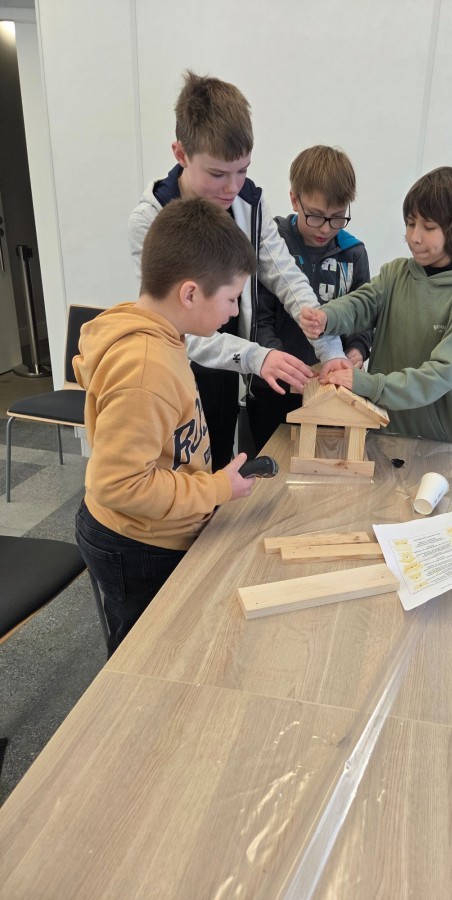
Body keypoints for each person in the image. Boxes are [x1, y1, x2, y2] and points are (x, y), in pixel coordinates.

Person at [128, 71, 348, 470]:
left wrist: (329, 349)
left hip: (227, 366)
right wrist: (256, 356)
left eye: (242, 169)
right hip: (171, 369)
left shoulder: (250, 203)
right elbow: (171, 327)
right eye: (217, 174)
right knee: (176, 470)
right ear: (181, 154)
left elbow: (287, 277)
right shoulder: (151, 219)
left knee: (218, 461)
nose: (232, 186)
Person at [75, 198, 258, 656]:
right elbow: (118, 483)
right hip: (137, 543)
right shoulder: (145, 366)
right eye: (231, 298)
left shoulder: (163, 335)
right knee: (144, 657)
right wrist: (215, 489)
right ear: (190, 294)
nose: (234, 311)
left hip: (150, 529)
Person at [299, 166, 452, 443]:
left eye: (429, 227)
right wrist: (327, 316)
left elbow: (439, 375)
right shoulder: (396, 274)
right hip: (379, 427)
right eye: (411, 223)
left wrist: (367, 384)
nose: (415, 237)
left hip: (433, 442)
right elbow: (362, 303)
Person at [246, 145, 372, 452]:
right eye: (315, 216)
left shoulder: (354, 253)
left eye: (337, 218)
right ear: (294, 199)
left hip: (331, 391)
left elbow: (365, 317)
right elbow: (258, 320)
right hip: (273, 389)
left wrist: (358, 349)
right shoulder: (272, 245)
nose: (326, 229)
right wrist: (283, 365)